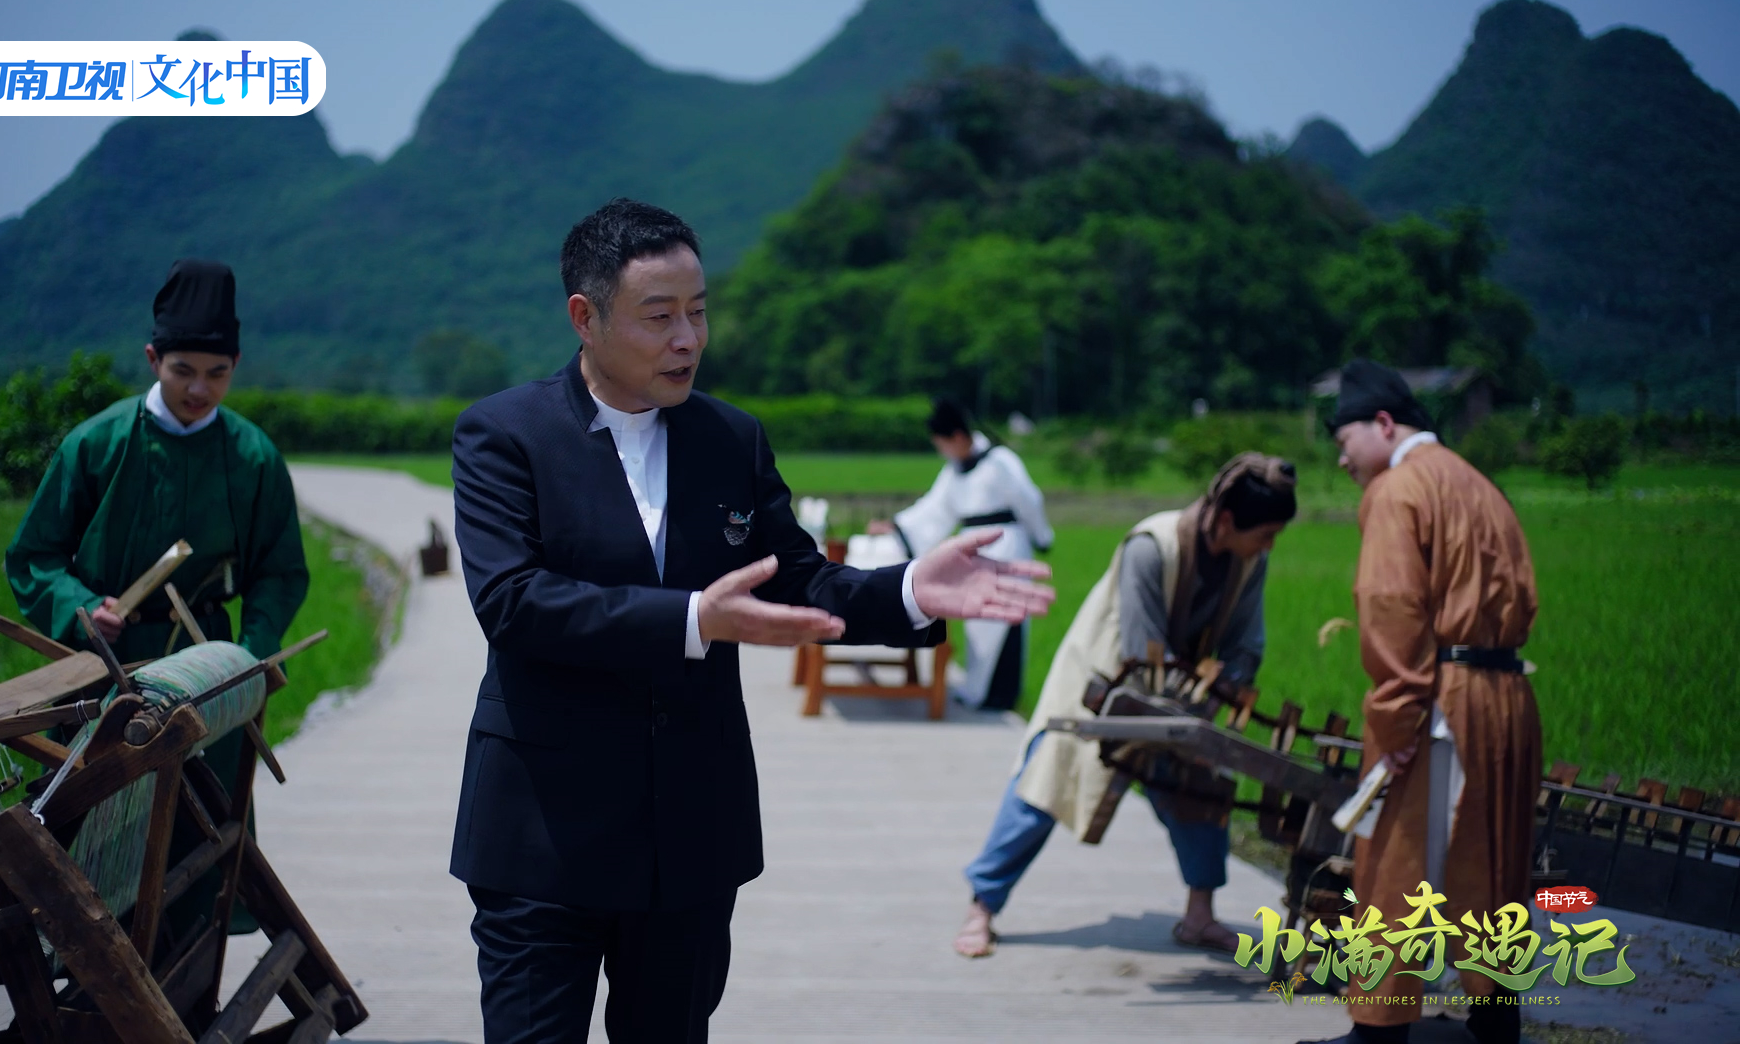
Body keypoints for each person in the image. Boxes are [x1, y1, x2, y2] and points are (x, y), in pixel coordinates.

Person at [448, 198, 1055, 1044]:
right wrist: (696, 618)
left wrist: (913, 589)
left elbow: (800, 580)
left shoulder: (730, 438)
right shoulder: (505, 435)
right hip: (542, 836)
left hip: (692, 837)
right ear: (585, 318)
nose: (688, 339)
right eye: (660, 316)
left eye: (698, 312)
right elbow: (512, 601)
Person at [3, 258, 308, 939]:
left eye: (217, 373)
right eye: (182, 371)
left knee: (202, 848)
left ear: (236, 365)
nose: (199, 389)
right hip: (103, 673)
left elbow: (282, 572)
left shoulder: (253, 456)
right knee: (94, 853)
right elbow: (32, 557)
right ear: (152, 359)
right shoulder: (97, 443)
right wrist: (80, 606)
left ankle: (191, 988)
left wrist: (250, 659)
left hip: (204, 672)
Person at [953, 454, 1298, 959]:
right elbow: (1142, 647)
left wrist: (1221, 694)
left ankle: (1200, 916)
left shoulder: (1251, 562)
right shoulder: (1151, 546)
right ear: (1227, 520)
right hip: (1105, 682)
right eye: (1265, 534)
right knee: (1045, 784)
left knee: (1202, 789)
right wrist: (1184, 708)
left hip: (1184, 695)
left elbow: (1246, 643)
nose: (1268, 545)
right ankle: (981, 906)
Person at [1299, 361, 1540, 1044]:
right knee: (1493, 863)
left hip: (1439, 702)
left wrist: (1396, 717)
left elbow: (1393, 605)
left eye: (1344, 440)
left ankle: (1378, 1031)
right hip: (1505, 697)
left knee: (1397, 864)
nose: (1342, 458)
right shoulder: (1480, 483)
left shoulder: (1397, 488)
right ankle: (1496, 1022)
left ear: (1383, 424)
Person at [868, 398, 1053, 710]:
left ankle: (1001, 696)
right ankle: (978, 689)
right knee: (978, 621)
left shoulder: (1001, 461)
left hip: (1007, 547)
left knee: (1006, 618)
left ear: (957, 437)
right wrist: (897, 527)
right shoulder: (954, 471)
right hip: (973, 551)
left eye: (942, 444)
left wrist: (1042, 536)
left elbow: (1029, 500)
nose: (942, 451)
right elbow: (933, 509)